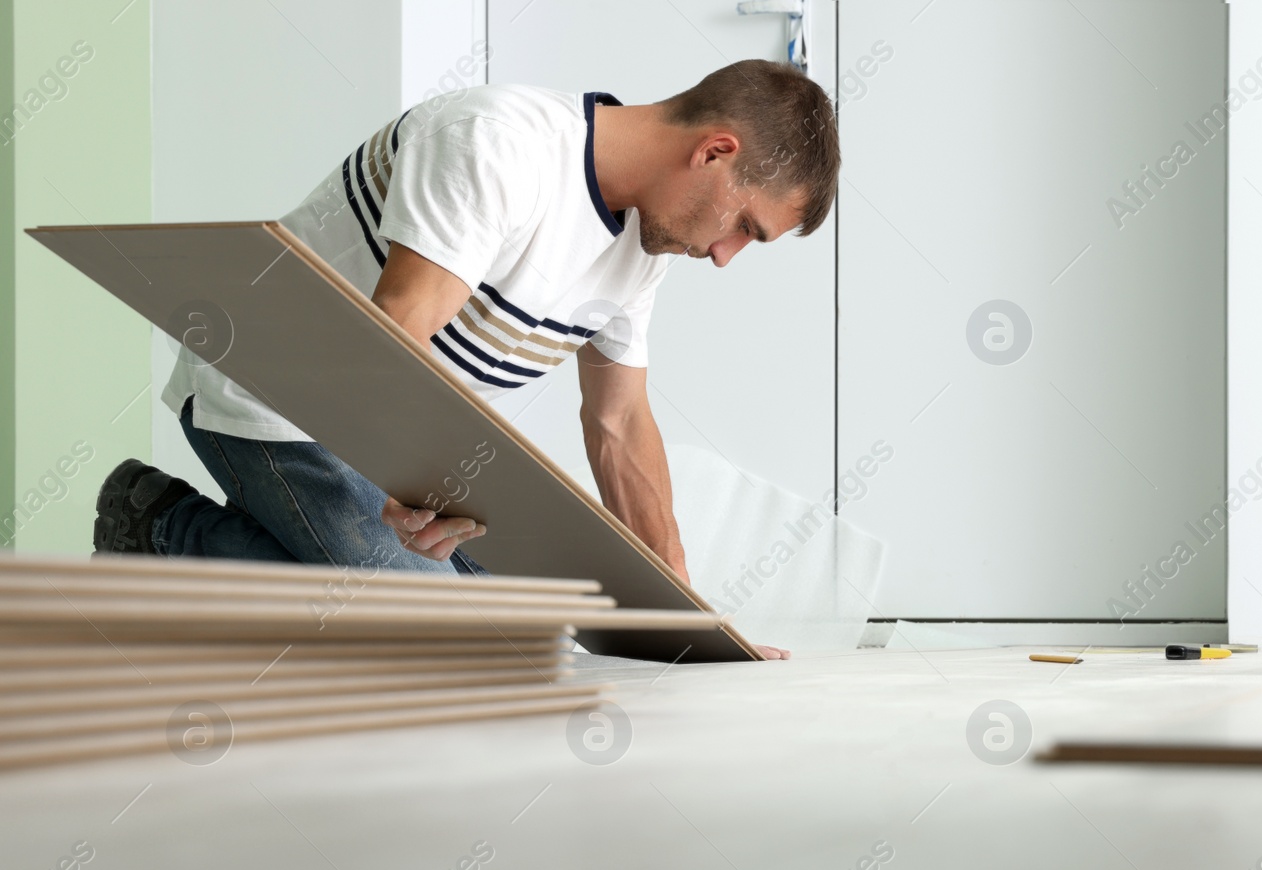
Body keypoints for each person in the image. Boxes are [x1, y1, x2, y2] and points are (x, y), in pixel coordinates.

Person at [93, 59, 838, 660]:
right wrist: (405, 481)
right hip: (279, 399)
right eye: (745, 225)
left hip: (390, 427)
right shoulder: (498, 143)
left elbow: (619, 420)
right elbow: (396, 331)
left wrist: (687, 618)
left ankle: (309, 554)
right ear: (715, 152)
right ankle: (161, 528)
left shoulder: (645, 249)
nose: (724, 255)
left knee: (536, 629)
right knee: (449, 640)